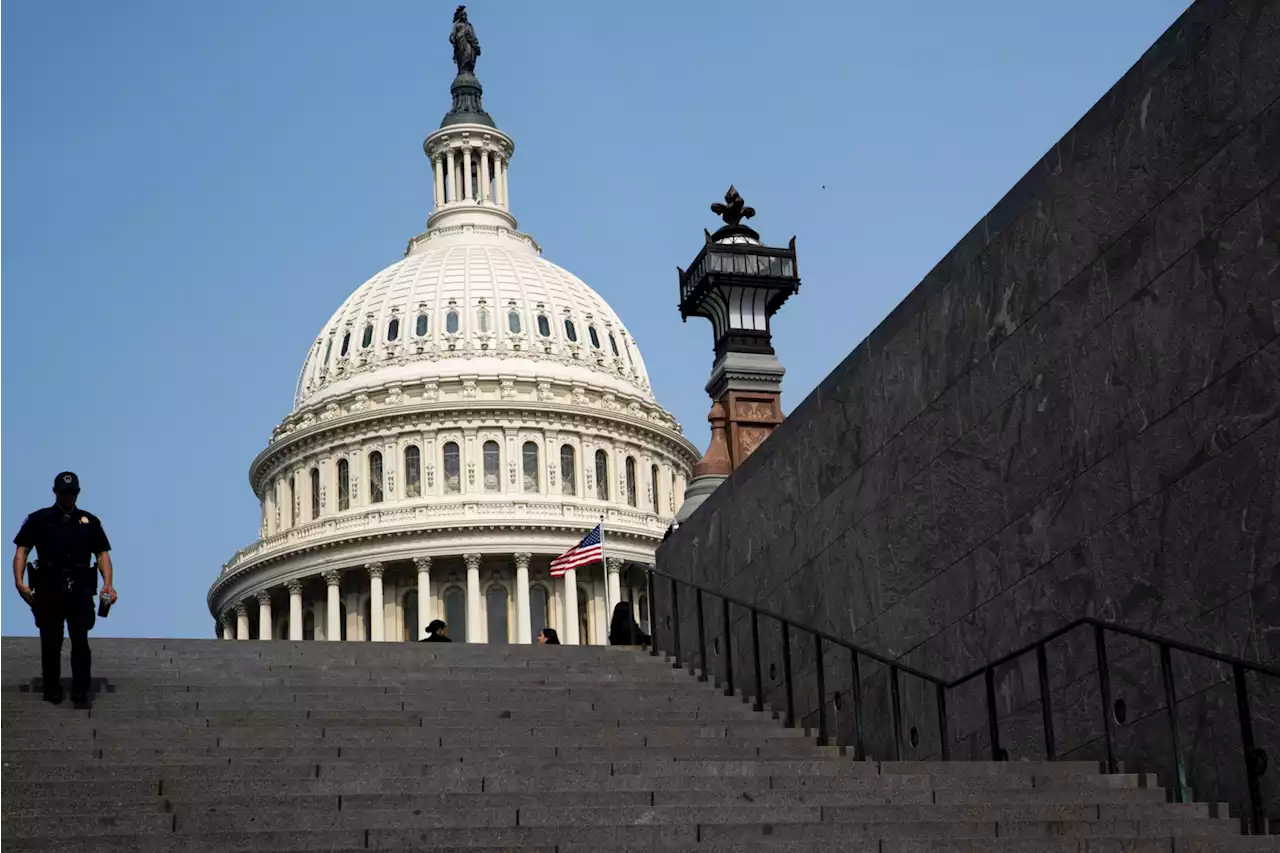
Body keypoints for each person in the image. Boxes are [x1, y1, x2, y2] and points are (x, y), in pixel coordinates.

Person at [13, 472, 116, 708]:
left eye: (72, 492)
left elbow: (102, 555)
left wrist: (108, 584)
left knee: (80, 640)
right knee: (50, 641)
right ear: (55, 492)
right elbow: (22, 551)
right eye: (64, 492)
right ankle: (52, 691)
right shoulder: (39, 519)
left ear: (77, 493)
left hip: (79, 586)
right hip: (48, 586)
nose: (68, 496)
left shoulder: (89, 522)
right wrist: (20, 582)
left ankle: (81, 692)